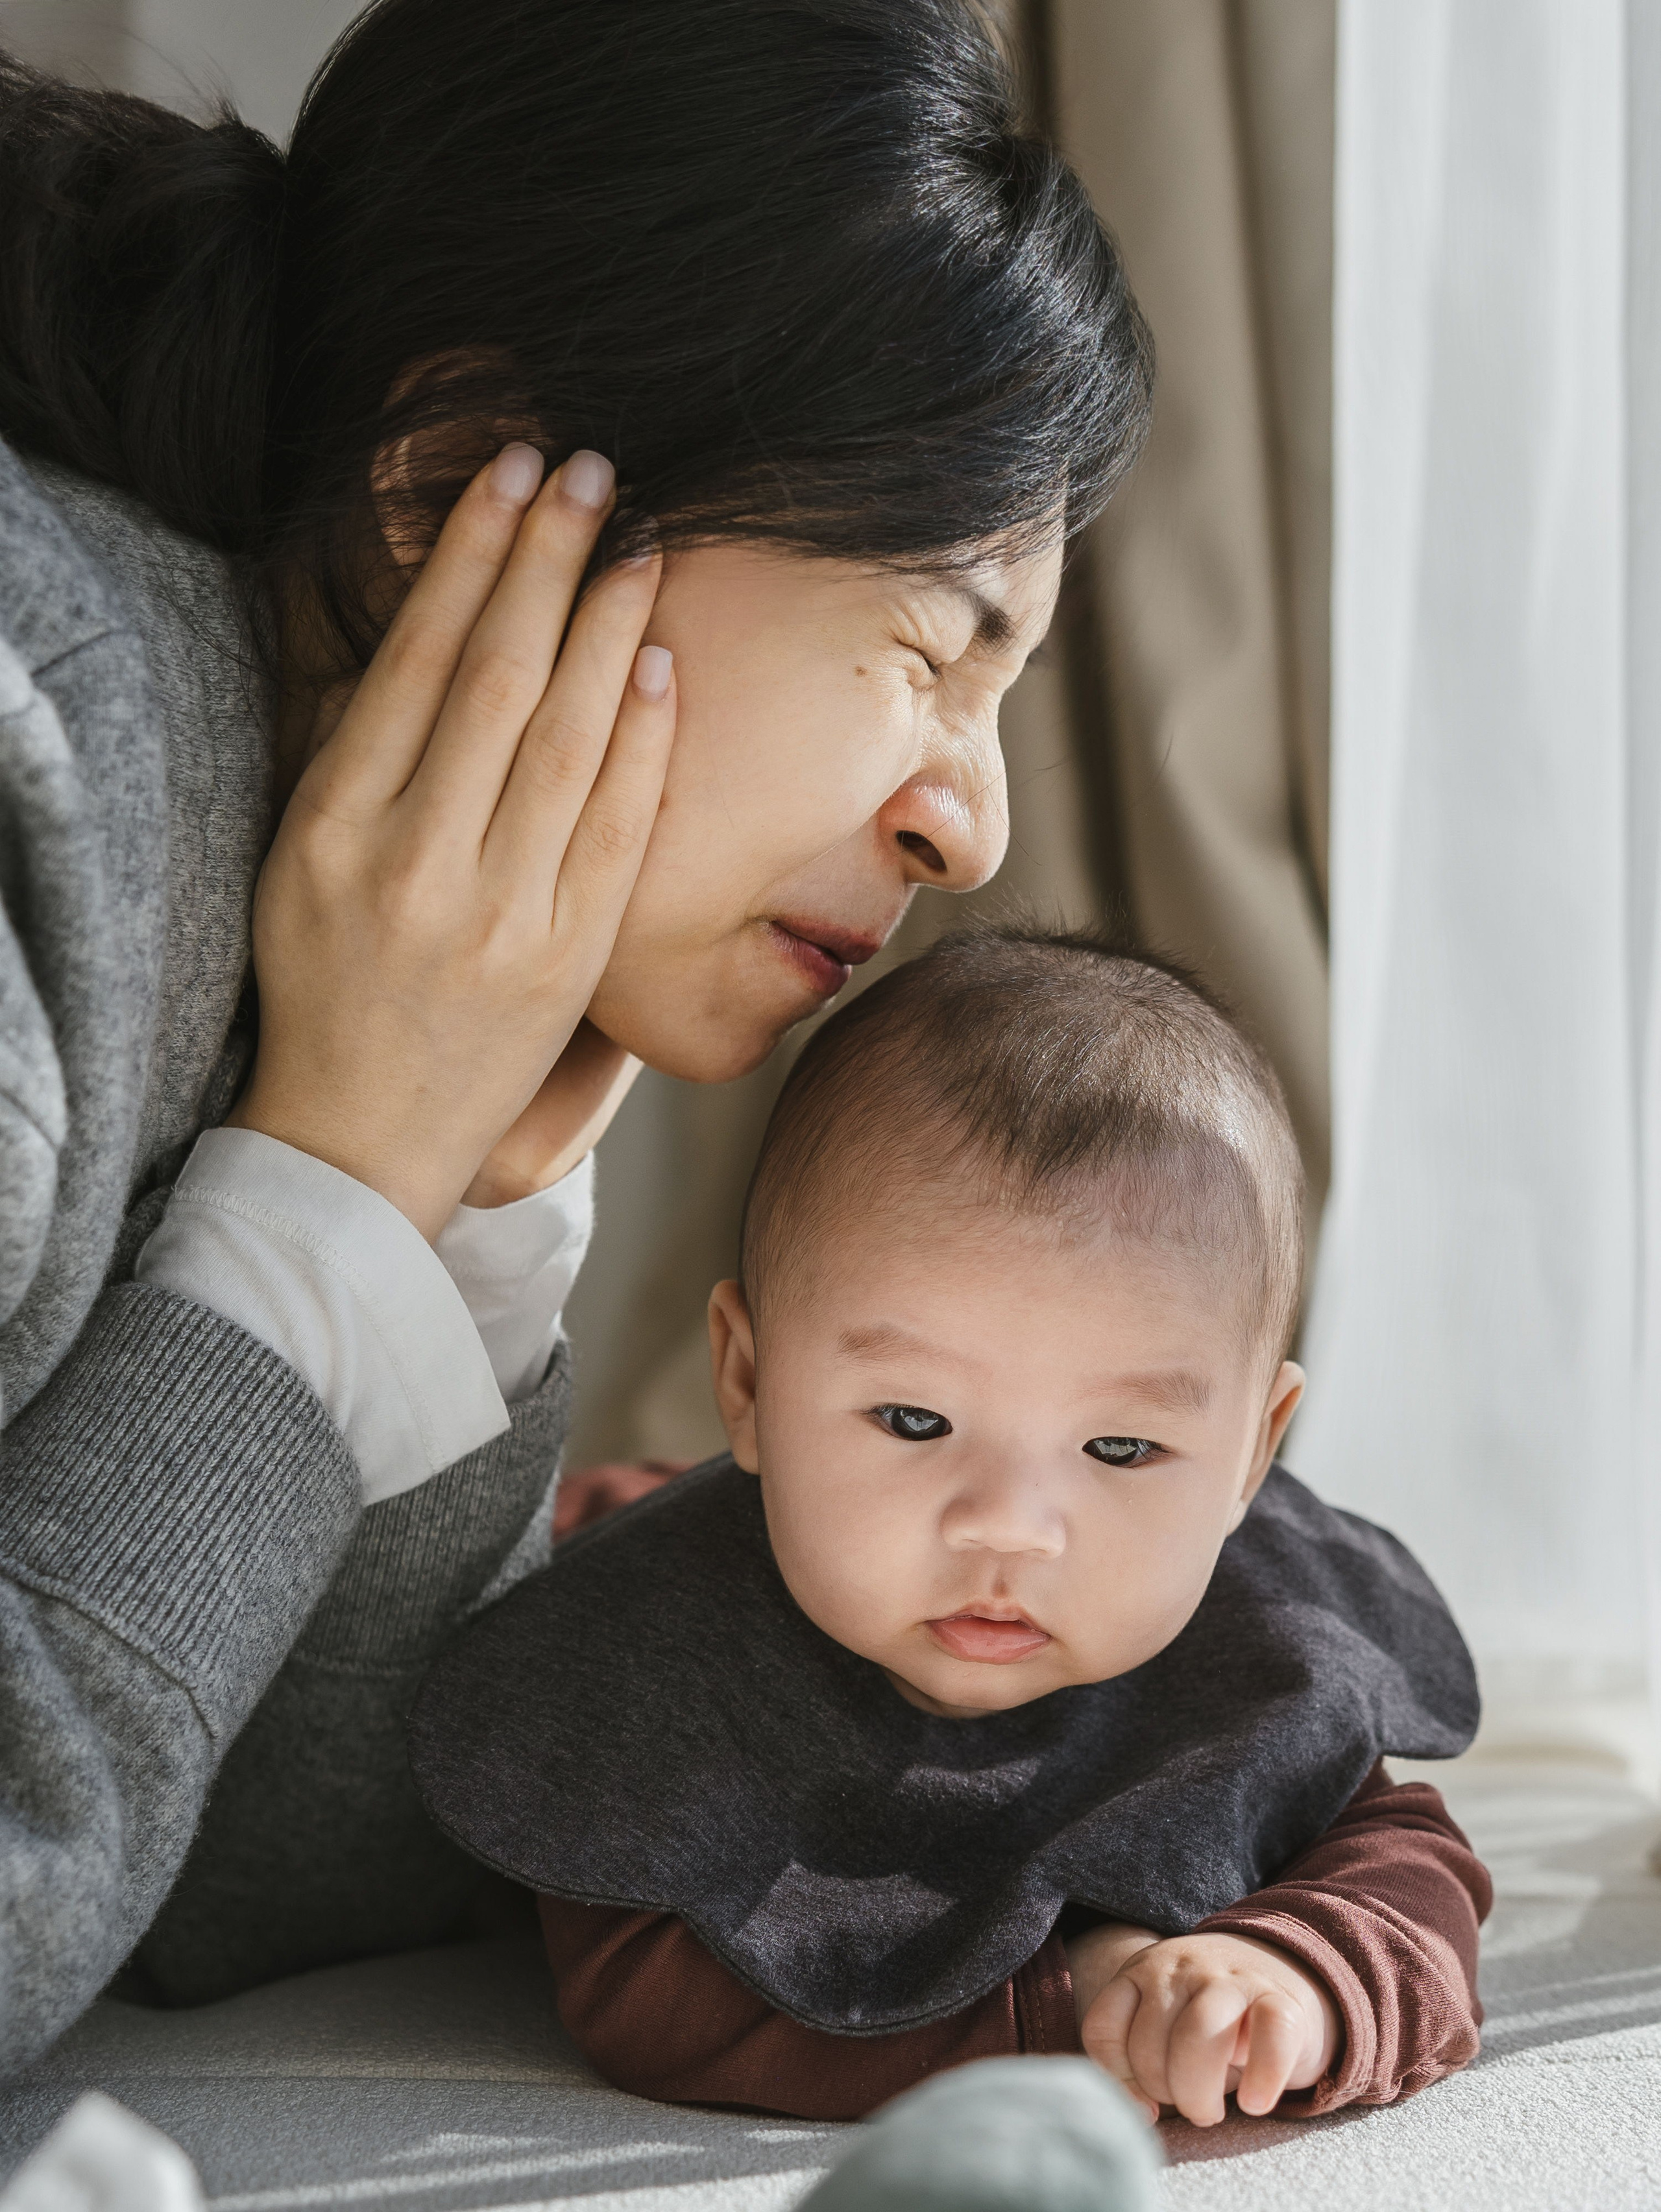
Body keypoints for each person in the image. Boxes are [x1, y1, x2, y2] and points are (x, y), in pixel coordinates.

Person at [0, 0, 1152, 2073]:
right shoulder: (42, 767)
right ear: (461, 487)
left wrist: (441, 1202)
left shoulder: (314, 924)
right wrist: (319, 1194)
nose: (966, 827)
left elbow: (276, 1900)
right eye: (926, 645)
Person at [411, 926, 1491, 2128]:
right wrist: (1065, 2006)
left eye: (1121, 1448)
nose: (1009, 1528)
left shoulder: (1266, 1635)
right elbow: (648, 1991)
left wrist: (1296, 1969)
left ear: (1252, 1450)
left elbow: (1413, 1871)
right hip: (650, 1526)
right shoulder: (660, 1654)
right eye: (916, 1418)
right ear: (749, 1382)